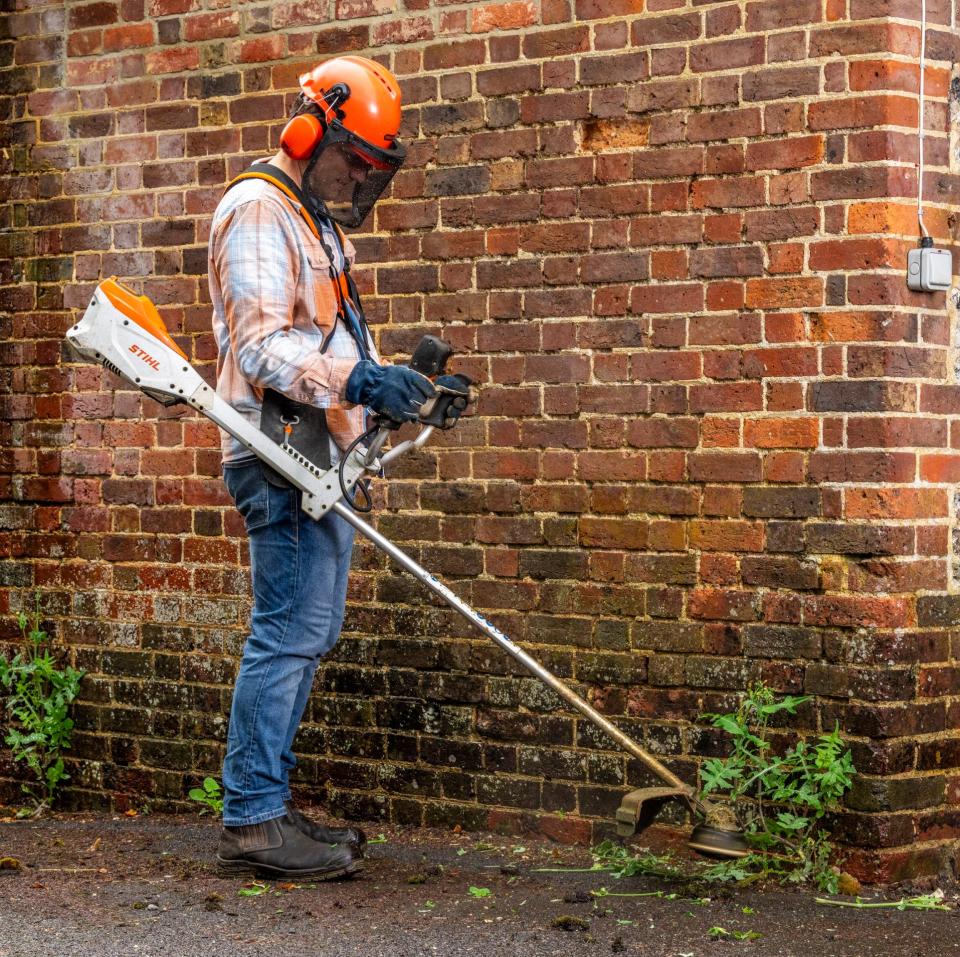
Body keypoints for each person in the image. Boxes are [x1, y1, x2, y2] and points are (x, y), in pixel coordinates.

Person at [207, 55, 448, 881]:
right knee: (288, 631)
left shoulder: (317, 223)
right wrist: (357, 379)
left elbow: (332, 346)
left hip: (318, 453)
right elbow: (264, 347)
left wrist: (391, 389)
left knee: (307, 633)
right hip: (279, 453)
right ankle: (253, 819)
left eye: (373, 169)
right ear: (310, 132)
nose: (360, 179)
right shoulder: (258, 210)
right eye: (356, 160)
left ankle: (264, 800)